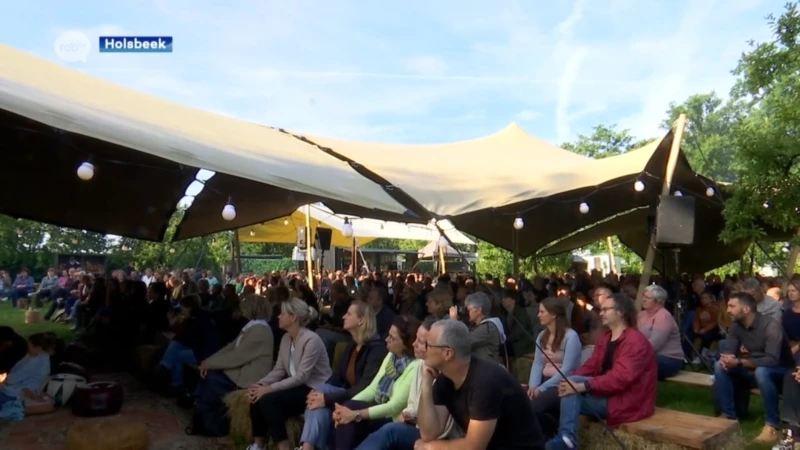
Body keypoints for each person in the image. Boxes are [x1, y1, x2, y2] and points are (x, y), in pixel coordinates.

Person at [545, 293, 657, 450]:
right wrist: (567, 380)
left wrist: (585, 386)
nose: (601, 313)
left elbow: (621, 377)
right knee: (567, 387)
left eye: (605, 309)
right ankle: (557, 437)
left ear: (621, 312)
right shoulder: (606, 338)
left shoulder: (635, 342)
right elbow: (590, 367)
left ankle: (566, 439)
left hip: (626, 400)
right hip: (607, 391)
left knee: (570, 393)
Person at [416, 320, 545, 450]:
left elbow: (474, 447)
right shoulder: (445, 379)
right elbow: (429, 433)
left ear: (448, 353)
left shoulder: (485, 381)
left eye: (427, 345)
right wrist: (426, 384)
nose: (422, 349)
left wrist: (431, 447)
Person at [354, 317, 462, 450]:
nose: (414, 344)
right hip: (417, 426)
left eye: (421, 342)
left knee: (390, 430)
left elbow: (439, 430)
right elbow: (411, 404)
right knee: (353, 412)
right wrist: (408, 414)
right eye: (415, 339)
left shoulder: (448, 375)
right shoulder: (421, 365)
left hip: (440, 438)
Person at [299, 301, 387, 449]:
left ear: (361, 320)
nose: (344, 317)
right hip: (345, 396)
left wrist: (326, 397)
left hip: (362, 400)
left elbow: (364, 388)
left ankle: (306, 447)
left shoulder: (377, 350)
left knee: (321, 394)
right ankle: (308, 447)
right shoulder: (351, 345)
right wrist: (319, 394)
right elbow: (338, 377)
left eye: (349, 314)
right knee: (318, 399)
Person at [246, 298, 331, 450]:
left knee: (268, 400)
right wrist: (260, 384)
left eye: (282, 313)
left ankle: (283, 446)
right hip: (298, 386)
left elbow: (302, 376)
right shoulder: (286, 338)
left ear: (293, 318)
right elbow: (279, 370)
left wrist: (269, 389)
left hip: (314, 388)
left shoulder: (312, 340)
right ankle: (259, 445)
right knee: (257, 396)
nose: (278, 316)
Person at [713, 291, 795, 444]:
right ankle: (728, 416)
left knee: (762, 371)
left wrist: (739, 362)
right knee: (720, 366)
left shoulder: (771, 325)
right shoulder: (736, 326)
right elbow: (730, 351)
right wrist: (727, 358)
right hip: (754, 369)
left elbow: (772, 360)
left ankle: (772, 425)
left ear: (746, 309)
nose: (728, 310)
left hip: (781, 374)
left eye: (732, 306)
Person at [191, 294, 274, 436]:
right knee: (207, 377)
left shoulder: (260, 330)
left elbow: (237, 356)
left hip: (249, 378)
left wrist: (209, 364)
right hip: (241, 371)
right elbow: (230, 348)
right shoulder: (252, 327)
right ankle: (202, 414)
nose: (241, 309)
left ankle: (210, 422)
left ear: (252, 308)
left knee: (210, 380)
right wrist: (207, 362)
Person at [333, 315, 421, 450]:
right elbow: (373, 389)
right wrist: (343, 409)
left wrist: (356, 414)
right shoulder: (392, 355)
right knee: (348, 408)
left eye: (392, 338)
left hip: (394, 418)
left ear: (406, 344)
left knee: (351, 416)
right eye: (388, 335)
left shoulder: (416, 365)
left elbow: (394, 407)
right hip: (379, 408)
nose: (386, 339)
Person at [528, 298, 582, 435]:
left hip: (561, 384)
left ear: (553, 314)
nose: (538, 315)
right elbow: (537, 363)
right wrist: (533, 386)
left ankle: (553, 430)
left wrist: (542, 388)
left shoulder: (571, 337)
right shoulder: (541, 336)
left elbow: (568, 369)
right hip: (543, 382)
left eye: (542, 312)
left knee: (534, 407)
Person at [638, 285, 684, 379]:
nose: (643, 299)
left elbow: (654, 345)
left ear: (658, 301)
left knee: (632, 363)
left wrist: (631, 352)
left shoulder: (663, 316)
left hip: (669, 359)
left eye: (648, 298)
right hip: (648, 355)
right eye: (644, 296)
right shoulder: (641, 315)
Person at [0, 333, 58, 408]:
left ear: (38, 348)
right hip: (17, 389)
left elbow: (12, 379)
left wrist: (6, 379)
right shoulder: (38, 357)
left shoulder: (36, 361)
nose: (28, 348)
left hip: (16, 393)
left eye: (29, 346)